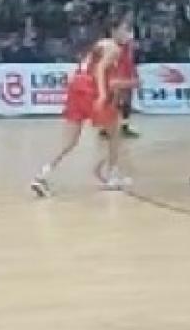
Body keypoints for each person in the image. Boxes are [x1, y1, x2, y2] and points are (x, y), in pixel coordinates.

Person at [29, 19, 135, 197]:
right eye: (126, 30)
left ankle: (42, 175)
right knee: (115, 130)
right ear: (114, 31)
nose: (129, 34)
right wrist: (102, 94)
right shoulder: (113, 48)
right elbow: (100, 70)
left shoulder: (100, 46)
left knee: (69, 142)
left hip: (75, 88)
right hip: (90, 90)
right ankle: (112, 175)